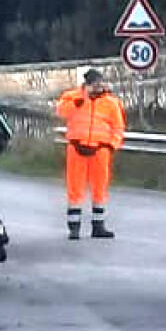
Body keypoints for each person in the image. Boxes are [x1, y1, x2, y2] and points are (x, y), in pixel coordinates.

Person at [56, 67, 125, 239]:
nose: (96, 87)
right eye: (93, 83)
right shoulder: (72, 97)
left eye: (98, 83)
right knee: (74, 188)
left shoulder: (111, 102)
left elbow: (118, 127)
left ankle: (98, 226)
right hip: (76, 147)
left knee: (100, 188)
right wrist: (80, 100)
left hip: (100, 149)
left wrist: (112, 145)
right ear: (85, 84)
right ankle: (74, 227)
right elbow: (61, 111)